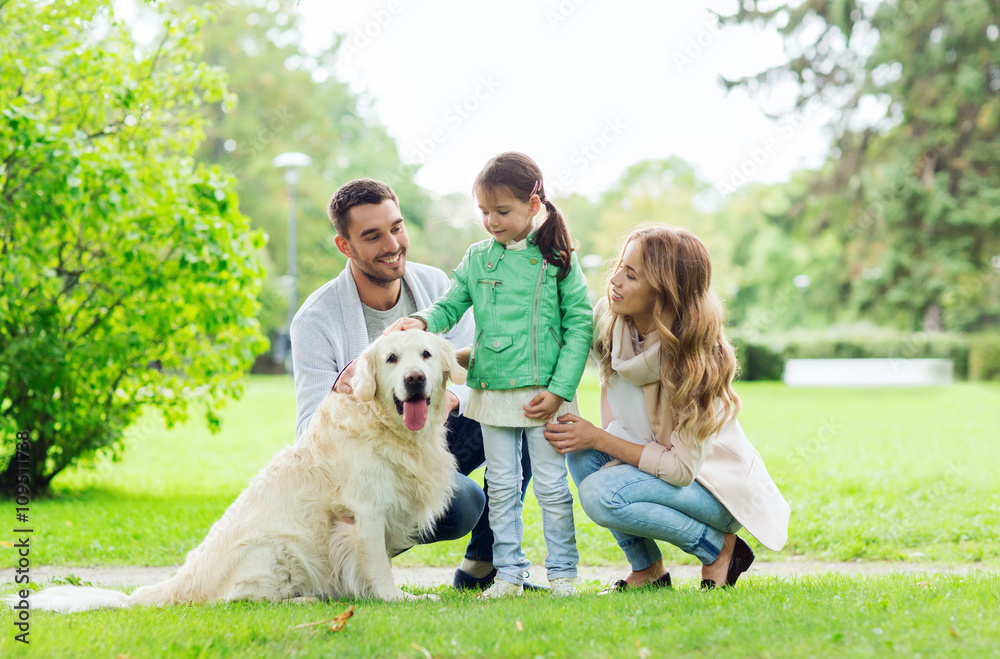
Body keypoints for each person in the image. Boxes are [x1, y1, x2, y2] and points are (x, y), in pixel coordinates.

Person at [289, 177, 538, 591]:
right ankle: (356, 555)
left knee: (520, 409)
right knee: (462, 503)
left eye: (396, 227)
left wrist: (452, 399)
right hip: (370, 456)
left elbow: (479, 371)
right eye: (372, 236)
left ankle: (483, 566)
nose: (392, 244)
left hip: (437, 426)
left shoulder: (436, 286)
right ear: (345, 246)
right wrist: (352, 386)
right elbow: (306, 435)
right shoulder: (315, 321)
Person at [387, 152, 593, 598]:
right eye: (483, 211)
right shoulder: (479, 259)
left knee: (554, 488)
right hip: (492, 389)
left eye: (502, 211)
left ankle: (563, 575)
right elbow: (452, 302)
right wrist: (422, 322)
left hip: (545, 395)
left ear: (533, 206)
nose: (491, 221)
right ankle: (508, 574)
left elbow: (580, 325)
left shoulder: (557, 258)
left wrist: (559, 392)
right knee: (501, 488)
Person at [543, 224, 790, 591]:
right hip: (658, 466)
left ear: (665, 293)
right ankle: (648, 571)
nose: (615, 281)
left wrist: (599, 438)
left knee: (601, 494)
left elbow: (680, 469)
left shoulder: (698, 360)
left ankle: (720, 548)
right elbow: (556, 350)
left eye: (631, 275)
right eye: (619, 268)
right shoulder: (611, 320)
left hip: (713, 489)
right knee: (582, 458)